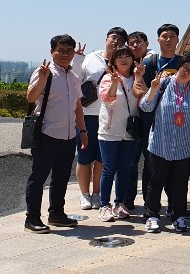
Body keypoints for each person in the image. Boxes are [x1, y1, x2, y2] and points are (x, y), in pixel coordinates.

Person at [24, 34, 88, 233]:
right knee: (38, 178)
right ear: (52, 52)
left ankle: (56, 214)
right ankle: (32, 218)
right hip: (47, 133)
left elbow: (78, 107)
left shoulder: (74, 77)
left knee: (61, 178)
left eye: (69, 51)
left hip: (68, 136)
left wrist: (83, 131)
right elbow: (30, 97)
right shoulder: (45, 72)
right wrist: (42, 79)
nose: (65, 54)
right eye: (60, 50)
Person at [140, 52, 190, 233]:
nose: (186, 73)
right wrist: (152, 89)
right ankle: (152, 215)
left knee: (180, 183)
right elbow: (145, 106)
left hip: (185, 144)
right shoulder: (163, 83)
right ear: (179, 66)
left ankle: (179, 216)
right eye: (185, 68)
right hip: (160, 142)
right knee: (156, 181)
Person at [71, 26, 128, 210]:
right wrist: (77, 59)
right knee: (84, 157)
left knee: (102, 159)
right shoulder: (91, 58)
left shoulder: (123, 62)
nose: (116, 41)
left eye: (120, 40)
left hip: (109, 117)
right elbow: (75, 78)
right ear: (106, 39)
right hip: (87, 114)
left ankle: (97, 194)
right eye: (113, 38)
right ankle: (84, 194)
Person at [129, 23, 182, 215]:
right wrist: (149, 86)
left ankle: (174, 205)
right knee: (151, 164)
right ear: (158, 39)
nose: (168, 40)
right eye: (164, 36)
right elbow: (138, 91)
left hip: (176, 122)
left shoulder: (182, 63)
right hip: (151, 120)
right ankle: (150, 205)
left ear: (177, 39)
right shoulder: (149, 63)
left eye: (172, 36)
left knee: (174, 164)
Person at [95, 45, 143, 222]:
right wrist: (115, 82)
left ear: (132, 59)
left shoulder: (135, 77)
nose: (124, 60)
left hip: (129, 131)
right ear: (113, 61)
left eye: (127, 56)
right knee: (109, 169)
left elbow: (143, 96)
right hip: (110, 130)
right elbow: (107, 99)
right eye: (119, 57)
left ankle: (119, 203)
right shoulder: (108, 78)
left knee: (124, 169)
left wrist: (139, 76)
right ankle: (104, 205)